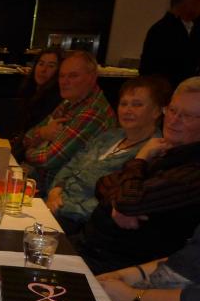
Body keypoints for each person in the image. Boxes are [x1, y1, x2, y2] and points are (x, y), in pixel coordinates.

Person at [72, 77, 200, 274]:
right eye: (172, 110)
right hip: (89, 247)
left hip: (117, 268)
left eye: (187, 116)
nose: (174, 120)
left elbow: (128, 201)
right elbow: (103, 183)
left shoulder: (192, 171)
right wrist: (120, 200)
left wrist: (140, 158)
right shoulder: (166, 149)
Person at [45, 76, 171, 235]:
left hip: (81, 224)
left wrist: (63, 207)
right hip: (55, 205)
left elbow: (109, 203)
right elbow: (72, 164)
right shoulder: (109, 136)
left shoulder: (151, 152)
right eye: (123, 104)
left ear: (157, 111)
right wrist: (55, 189)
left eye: (137, 104)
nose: (127, 110)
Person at [21, 50, 116, 193]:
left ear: (92, 77)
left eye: (73, 76)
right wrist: (42, 133)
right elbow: (27, 137)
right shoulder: (70, 101)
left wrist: (28, 152)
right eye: (61, 76)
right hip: (41, 182)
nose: (64, 82)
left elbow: (48, 159)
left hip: (60, 194)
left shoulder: (93, 112)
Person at [11, 47, 63, 161]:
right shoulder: (30, 90)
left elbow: (31, 136)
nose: (43, 70)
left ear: (59, 71)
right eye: (41, 64)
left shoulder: (54, 98)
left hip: (32, 155)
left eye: (51, 66)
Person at [139, 0, 200, 91]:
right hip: (168, 91)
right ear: (181, 4)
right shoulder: (161, 30)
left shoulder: (195, 28)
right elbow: (149, 70)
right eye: (196, 2)